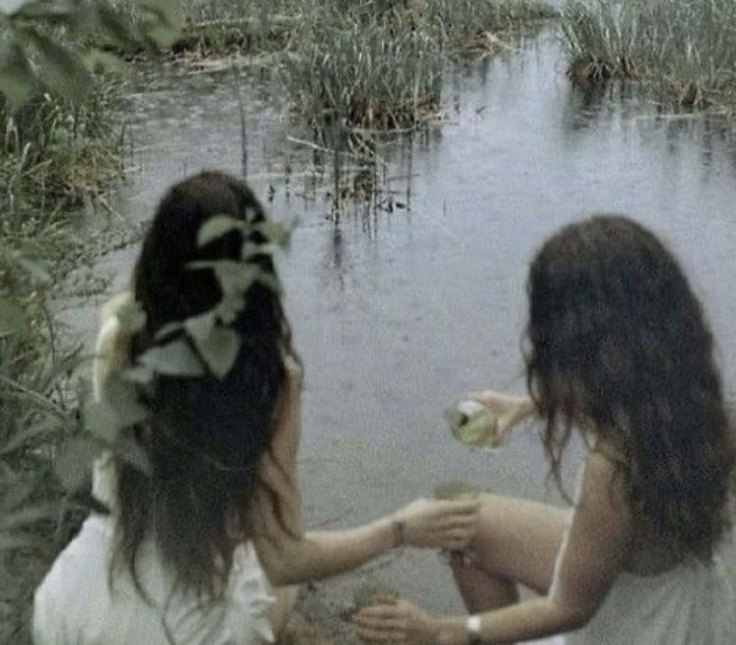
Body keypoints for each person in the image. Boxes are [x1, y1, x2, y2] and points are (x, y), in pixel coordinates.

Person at [33, 171, 480, 644]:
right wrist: (400, 529)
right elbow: (286, 558)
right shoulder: (272, 381)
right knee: (268, 581)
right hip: (190, 627)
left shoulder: (119, 336)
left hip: (73, 604)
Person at [355, 215, 736, 644]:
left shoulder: (611, 469)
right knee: (463, 525)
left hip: (641, 629)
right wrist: (526, 407)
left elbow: (568, 609)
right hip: (686, 597)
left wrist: (444, 631)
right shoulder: (707, 410)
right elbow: (636, 400)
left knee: (462, 532)